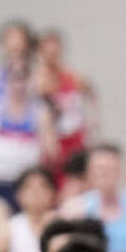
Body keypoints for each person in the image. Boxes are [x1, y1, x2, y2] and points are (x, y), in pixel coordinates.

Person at [0, 61, 57, 252]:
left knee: (29, 227)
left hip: (27, 183)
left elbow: (50, 146)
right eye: (14, 81)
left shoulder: (39, 111)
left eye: (23, 81)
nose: (19, 86)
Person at [34, 28, 98, 178]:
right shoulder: (35, 81)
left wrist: (93, 127)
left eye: (55, 52)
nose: (52, 57)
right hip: (47, 143)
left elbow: (92, 98)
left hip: (75, 139)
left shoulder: (75, 77)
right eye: (47, 53)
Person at [1, 166, 58, 252]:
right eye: (29, 188)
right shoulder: (10, 228)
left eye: (42, 187)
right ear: (18, 195)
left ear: (53, 193)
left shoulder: (62, 226)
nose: (36, 193)